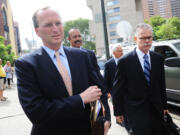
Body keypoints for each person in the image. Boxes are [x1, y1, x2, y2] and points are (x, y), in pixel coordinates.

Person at [15, 7, 110, 135]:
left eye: (58, 23)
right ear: (37, 31)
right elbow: (36, 111)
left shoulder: (82, 56)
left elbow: (99, 91)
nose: (55, 29)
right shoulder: (26, 64)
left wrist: (105, 119)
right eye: (48, 25)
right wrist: (80, 99)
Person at [112, 23, 169, 135]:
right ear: (135, 38)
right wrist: (118, 112)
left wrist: (164, 106)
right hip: (135, 112)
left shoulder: (158, 59)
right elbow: (118, 89)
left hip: (156, 110)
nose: (147, 41)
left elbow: (161, 84)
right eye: (143, 38)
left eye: (149, 37)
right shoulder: (125, 61)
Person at [68, 28, 111, 134]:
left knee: (97, 131)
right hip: (76, 102)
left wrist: (104, 92)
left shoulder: (89, 54)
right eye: (75, 37)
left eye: (79, 36)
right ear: (69, 39)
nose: (78, 39)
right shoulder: (64, 55)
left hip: (94, 102)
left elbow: (97, 76)